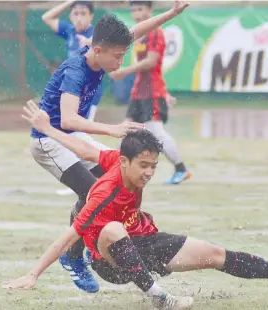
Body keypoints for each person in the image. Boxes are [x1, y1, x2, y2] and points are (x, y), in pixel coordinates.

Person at [3, 101, 268, 310]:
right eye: (144, 166)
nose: (150, 173)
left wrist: (49, 130)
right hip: (110, 262)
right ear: (125, 162)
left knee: (215, 254)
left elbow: (83, 148)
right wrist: (33, 274)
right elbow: (68, 237)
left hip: (144, 240)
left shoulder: (117, 160)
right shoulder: (104, 192)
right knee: (112, 228)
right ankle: (159, 297)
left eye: (154, 165)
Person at [29, 1, 190, 294]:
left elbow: (135, 32)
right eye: (118, 56)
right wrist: (111, 129)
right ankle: (74, 256)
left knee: (115, 176)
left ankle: (124, 238)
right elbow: (67, 119)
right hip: (48, 138)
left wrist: (170, 14)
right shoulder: (77, 70)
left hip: (72, 135)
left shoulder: (100, 49)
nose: (120, 62)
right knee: (94, 192)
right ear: (100, 51)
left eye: (123, 55)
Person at [110, 1, 190, 185]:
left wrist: (124, 71)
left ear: (149, 11)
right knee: (124, 131)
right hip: (139, 93)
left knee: (156, 133)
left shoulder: (155, 32)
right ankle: (114, 172)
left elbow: (151, 62)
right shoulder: (140, 34)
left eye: (140, 9)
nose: (137, 13)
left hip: (152, 93)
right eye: (134, 10)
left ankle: (181, 168)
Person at [42, 0, 103, 121]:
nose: (79, 17)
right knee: (68, 127)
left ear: (91, 16)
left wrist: (89, 42)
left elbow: (104, 42)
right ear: (70, 16)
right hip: (71, 86)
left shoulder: (97, 33)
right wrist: (70, 2)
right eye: (75, 13)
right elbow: (46, 17)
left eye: (83, 13)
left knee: (83, 128)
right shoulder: (70, 31)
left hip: (90, 88)